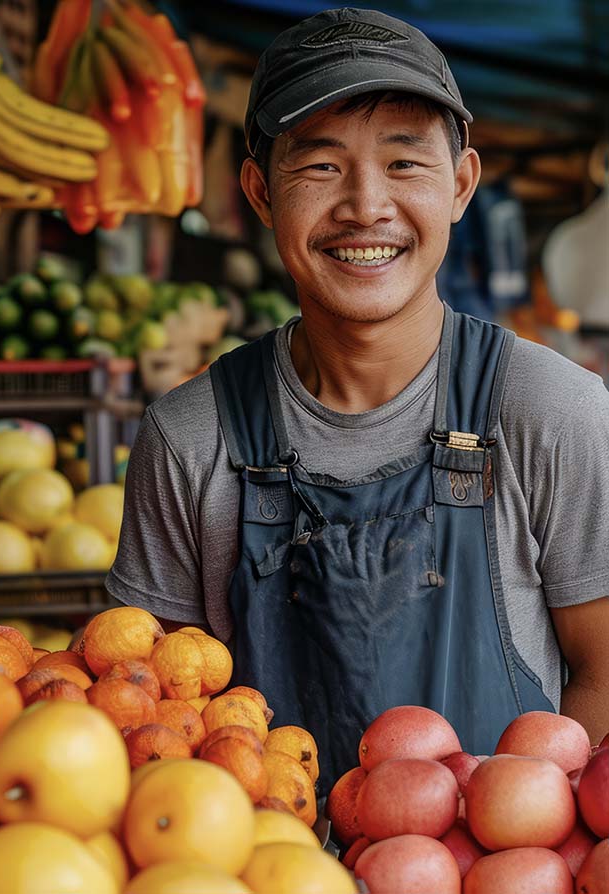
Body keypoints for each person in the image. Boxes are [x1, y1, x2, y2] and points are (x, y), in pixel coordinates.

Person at [107, 7, 609, 792]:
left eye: (405, 164)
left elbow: (604, 681)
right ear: (259, 194)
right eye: (320, 166)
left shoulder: (554, 413)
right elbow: (159, 718)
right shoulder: (190, 437)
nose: (366, 206)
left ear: (462, 185)